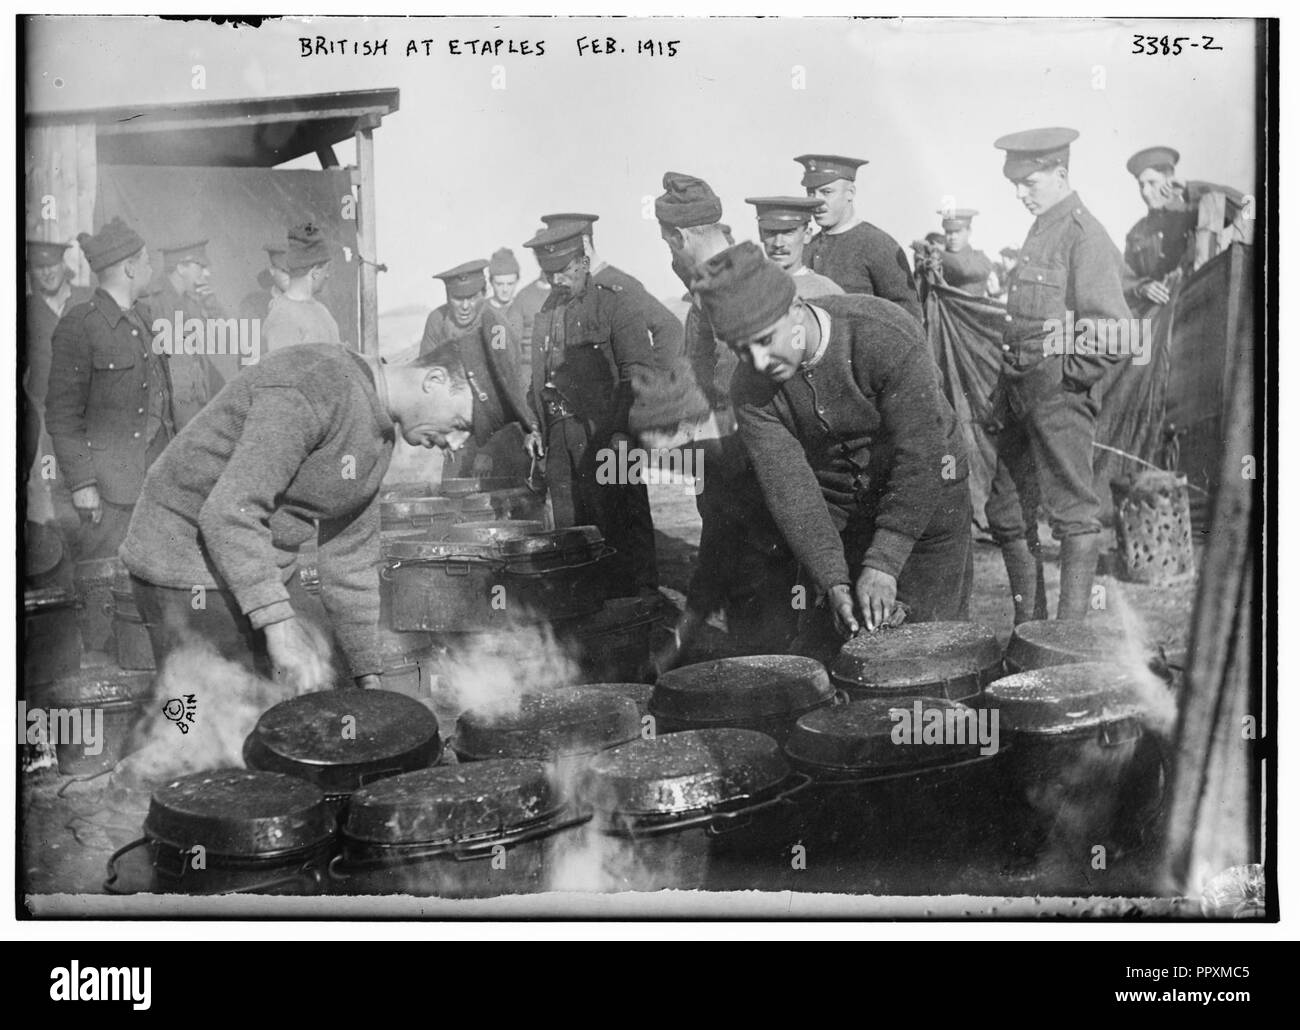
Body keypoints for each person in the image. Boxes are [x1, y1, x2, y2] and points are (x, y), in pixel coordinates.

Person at [119, 339, 536, 691]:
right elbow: (229, 512)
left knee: (328, 684)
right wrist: (277, 624)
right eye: (461, 424)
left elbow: (349, 562)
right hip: (183, 563)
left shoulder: (379, 436)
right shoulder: (315, 385)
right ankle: (155, 774)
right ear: (434, 380)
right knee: (204, 724)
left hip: (252, 563)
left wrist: (366, 674)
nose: (456, 445)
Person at [695, 242, 973, 659]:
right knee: (832, 647)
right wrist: (832, 580)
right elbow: (791, 488)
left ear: (795, 308)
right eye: (740, 350)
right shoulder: (750, 391)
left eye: (765, 340)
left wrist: (884, 561)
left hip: (929, 494)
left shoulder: (883, 334)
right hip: (839, 507)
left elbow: (921, 456)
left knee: (931, 653)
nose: (757, 360)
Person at [654, 176, 801, 660]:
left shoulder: (750, 281)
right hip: (726, 461)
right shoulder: (703, 292)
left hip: (766, 457)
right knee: (736, 578)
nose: (671, 259)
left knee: (772, 584)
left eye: (668, 245)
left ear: (679, 238)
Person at [986, 127, 1130, 621]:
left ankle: (1066, 644)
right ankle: (1029, 632)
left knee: (1073, 517)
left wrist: (1065, 378)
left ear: (1061, 173)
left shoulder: (1083, 234)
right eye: (1016, 186)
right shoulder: (1042, 228)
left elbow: (1114, 330)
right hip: (1017, 395)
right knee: (1005, 514)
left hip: (1058, 398)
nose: (1021, 194)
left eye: (1031, 183)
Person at [523, 220, 662, 599]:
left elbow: (639, 372)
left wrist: (623, 432)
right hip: (560, 434)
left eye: (563, 271)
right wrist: (534, 426)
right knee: (571, 528)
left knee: (623, 521)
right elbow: (538, 377)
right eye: (548, 273)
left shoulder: (616, 302)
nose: (555, 281)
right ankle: (588, 609)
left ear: (583, 262)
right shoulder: (547, 312)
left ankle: (640, 608)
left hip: (609, 432)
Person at [45, 218, 175, 561]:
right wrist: (83, 483)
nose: (151, 270)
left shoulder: (145, 318)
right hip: (108, 495)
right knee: (104, 588)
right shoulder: (80, 325)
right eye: (146, 263)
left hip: (153, 487)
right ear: (131, 268)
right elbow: (62, 416)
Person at [538, 212, 686, 362]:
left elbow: (670, 328)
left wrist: (652, 381)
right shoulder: (564, 291)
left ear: (584, 244)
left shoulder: (618, 285)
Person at [796, 153, 922, 322]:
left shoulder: (878, 244)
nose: (817, 201)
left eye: (826, 192)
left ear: (850, 193)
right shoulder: (804, 247)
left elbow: (909, 317)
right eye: (811, 193)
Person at [25, 239, 93, 532]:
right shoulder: (26, 308)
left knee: (93, 483)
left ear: (64, 266)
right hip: (45, 418)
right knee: (55, 486)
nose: (47, 273)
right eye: (39, 267)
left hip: (88, 413)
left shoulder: (87, 299)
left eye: (52, 265)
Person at [148, 238, 229, 427]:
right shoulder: (153, 300)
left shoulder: (194, 300)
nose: (207, 273)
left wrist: (211, 304)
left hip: (196, 399)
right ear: (181, 267)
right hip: (169, 408)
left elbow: (224, 339)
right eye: (201, 266)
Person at [261, 223, 341, 353]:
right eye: (326, 269)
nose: (327, 275)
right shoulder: (283, 319)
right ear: (315, 271)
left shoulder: (322, 310)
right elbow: (283, 372)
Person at [745, 196, 844, 298]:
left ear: (807, 235)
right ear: (760, 234)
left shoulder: (825, 291)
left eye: (788, 233)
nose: (778, 244)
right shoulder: (744, 287)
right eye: (771, 232)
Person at [419, 258, 493, 355]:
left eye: (472, 298)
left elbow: (502, 365)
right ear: (448, 297)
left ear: (484, 294)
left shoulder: (495, 321)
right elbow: (425, 366)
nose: (465, 306)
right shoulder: (437, 319)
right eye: (458, 298)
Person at [937, 209, 998, 299]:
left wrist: (936, 253)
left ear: (969, 231)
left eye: (958, 232)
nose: (953, 237)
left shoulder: (980, 259)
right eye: (949, 232)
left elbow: (963, 269)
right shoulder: (937, 259)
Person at [238, 242, 291, 322]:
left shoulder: (307, 305)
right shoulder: (253, 303)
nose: (290, 277)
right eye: (284, 271)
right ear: (272, 271)